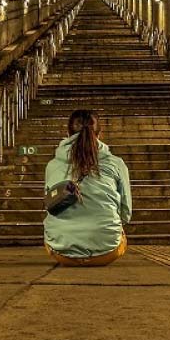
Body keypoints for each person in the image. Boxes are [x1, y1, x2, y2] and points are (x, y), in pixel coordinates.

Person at [43, 109, 132, 266]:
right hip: (108, 250)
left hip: (61, 252)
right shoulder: (116, 164)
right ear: (100, 132)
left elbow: (50, 204)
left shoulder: (52, 165)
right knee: (118, 228)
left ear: (67, 132)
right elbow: (126, 213)